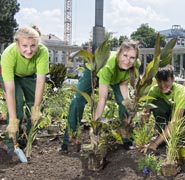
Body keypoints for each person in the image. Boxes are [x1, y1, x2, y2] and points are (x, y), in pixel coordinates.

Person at [60, 40, 140, 151]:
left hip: (116, 78)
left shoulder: (135, 65)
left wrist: (128, 104)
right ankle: (69, 141)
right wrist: (95, 126)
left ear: (136, 59)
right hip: (95, 70)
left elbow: (124, 85)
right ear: (119, 53)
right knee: (77, 101)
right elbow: (103, 98)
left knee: (125, 104)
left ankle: (127, 140)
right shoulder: (109, 65)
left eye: (132, 57)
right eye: (125, 55)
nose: (127, 60)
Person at [0, 26, 49, 154]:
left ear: (37, 43)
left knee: (34, 107)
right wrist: (12, 120)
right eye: (24, 46)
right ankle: (12, 143)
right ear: (17, 44)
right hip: (13, 77)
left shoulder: (43, 52)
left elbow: (40, 82)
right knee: (16, 107)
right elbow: (10, 91)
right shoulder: (8, 55)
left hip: (29, 76)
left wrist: (36, 109)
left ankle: (27, 138)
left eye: (33, 46)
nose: (29, 50)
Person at [142, 64, 185, 152]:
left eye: (166, 80)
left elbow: (175, 121)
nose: (162, 85)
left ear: (173, 78)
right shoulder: (154, 91)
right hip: (171, 112)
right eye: (159, 81)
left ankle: (183, 135)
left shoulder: (182, 93)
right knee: (155, 103)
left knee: (183, 128)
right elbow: (145, 111)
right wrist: (145, 115)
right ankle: (163, 136)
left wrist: (155, 143)